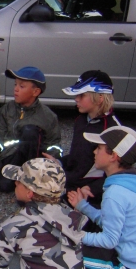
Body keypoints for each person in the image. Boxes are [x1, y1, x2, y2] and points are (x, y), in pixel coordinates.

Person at [67, 126, 136, 269]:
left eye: (99, 148)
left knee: (60, 249)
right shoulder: (131, 182)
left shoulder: (116, 193)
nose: (94, 152)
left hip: (125, 267)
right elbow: (109, 220)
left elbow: (109, 240)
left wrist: (71, 234)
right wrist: (83, 206)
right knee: (79, 227)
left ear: (113, 156)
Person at [0, 66, 62, 192]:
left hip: (34, 162)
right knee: (5, 186)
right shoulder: (7, 109)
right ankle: (12, 179)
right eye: (15, 84)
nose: (16, 89)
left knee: (30, 131)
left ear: (36, 92)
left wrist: (53, 158)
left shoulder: (48, 116)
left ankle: (31, 178)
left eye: (22, 86)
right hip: (10, 157)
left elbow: (54, 143)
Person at [44, 70, 120, 206]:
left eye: (82, 95)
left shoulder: (114, 129)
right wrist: (59, 162)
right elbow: (78, 155)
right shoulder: (81, 120)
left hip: (88, 191)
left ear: (100, 98)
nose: (76, 99)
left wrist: (92, 189)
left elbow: (119, 173)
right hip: (70, 179)